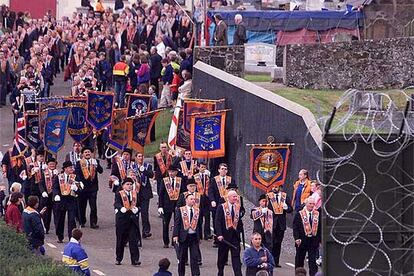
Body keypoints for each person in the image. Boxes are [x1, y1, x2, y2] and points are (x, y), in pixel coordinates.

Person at [215, 190, 243, 276]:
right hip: (224, 236)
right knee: (222, 257)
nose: (235, 198)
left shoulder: (238, 207)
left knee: (236, 257)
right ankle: (220, 272)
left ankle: (238, 274)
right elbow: (217, 221)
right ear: (229, 197)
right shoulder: (221, 207)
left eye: (236, 196)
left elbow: (239, 221)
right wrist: (219, 234)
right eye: (234, 196)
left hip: (235, 236)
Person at [114, 178, 141, 266]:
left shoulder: (135, 194)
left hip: (132, 220)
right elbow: (116, 203)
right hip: (122, 220)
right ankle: (118, 258)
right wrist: (121, 208)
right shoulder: (119, 194)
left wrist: (137, 209)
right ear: (123, 186)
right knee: (121, 240)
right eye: (127, 184)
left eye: (130, 184)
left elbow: (140, 205)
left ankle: (135, 260)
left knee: (133, 240)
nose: (129, 186)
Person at [173, 193, 201, 276]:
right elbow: (177, 223)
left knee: (194, 257)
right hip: (184, 236)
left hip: (194, 236)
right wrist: (175, 235)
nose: (193, 201)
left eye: (194, 199)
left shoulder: (197, 210)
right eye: (191, 199)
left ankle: (195, 274)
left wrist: (200, 237)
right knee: (182, 257)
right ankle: (181, 274)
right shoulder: (181, 210)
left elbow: (199, 224)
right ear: (186, 200)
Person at [54, 161, 82, 243]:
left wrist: (77, 188)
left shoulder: (75, 177)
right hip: (61, 200)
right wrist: (56, 195)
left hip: (71, 200)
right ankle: (60, 236)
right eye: (70, 168)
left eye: (72, 167)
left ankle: (71, 238)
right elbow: (55, 187)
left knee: (71, 220)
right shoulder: (59, 177)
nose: (71, 169)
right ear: (65, 169)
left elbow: (80, 187)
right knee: (60, 219)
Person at [75, 147, 103, 229]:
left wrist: (96, 165)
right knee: (82, 206)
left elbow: (101, 171)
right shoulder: (79, 163)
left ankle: (93, 222)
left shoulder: (95, 161)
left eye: (89, 152)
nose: (87, 153)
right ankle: (82, 221)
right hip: (83, 188)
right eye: (85, 152)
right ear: (82, 154)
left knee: (93, 206)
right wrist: (80, 182)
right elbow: (77, 174)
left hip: (93, 188)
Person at [158, 164, 185, 248]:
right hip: (166, 205)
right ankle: (166, 242)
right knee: (165, 224)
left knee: (177, 224)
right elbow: (161, 194)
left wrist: (182, 205)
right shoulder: (164, 181)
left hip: (177, 205)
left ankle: (175, 240)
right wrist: (160, 206)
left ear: (176, 172)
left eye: (173, 172)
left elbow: (183, 193)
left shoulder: (180, 181)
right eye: (169, 171)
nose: (171, 173)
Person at [293, 197, 321, 276]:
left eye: (313, 204)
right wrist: (297, 238)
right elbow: (295, 227)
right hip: (302, 241)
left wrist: (320, 240)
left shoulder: (317, 214)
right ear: (306, 204)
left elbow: (320, 228)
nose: (312, 205)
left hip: (313, 241)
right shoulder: (299, 214)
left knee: (312, 262)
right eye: (310, 204)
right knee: (299, 260)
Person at [266, 185, 292, 267]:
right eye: (273, 187)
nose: (274, 188)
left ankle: (276, 261)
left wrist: (286, 207)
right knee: (271, 243)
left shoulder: (285, 196)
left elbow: (290, 209)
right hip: (271, 223)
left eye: (276, 187)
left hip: (281, 224)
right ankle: (270, 260)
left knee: (278, 243)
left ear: (280, 188)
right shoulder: (268, 196)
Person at [132, 151, 154, 238]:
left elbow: (151, 175)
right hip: (135, 193)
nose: (140, 158)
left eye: (142, 156)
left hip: (145, 193)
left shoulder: (147, 166)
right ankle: (135, 231)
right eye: (139, 156)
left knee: (145, 213)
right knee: (135, 212)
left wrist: (143, 171)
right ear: (136, 158)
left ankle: (146, 231)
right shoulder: (132, 166)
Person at [39, 158, 59, 234]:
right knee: (46, 214)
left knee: (57, 213)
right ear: (47, 165)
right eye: (50, 164)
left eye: (53, 164)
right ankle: (46, 228)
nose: (52, 166)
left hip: (55, 197)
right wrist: (43, 191)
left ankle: (58, 230)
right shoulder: (44, 173)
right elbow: (40, 184)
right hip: (46, 196)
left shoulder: (58, 173)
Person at [194, 161, 212, 240]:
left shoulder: (207, 177)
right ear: (198, 168)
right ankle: (199, 234)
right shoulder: (195, 177)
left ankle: (207, 234)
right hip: (198, 198)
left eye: (204, 167)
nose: (203, 169)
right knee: (199, 217)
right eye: (201, 167)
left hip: (206, 198)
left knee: (207, 216)